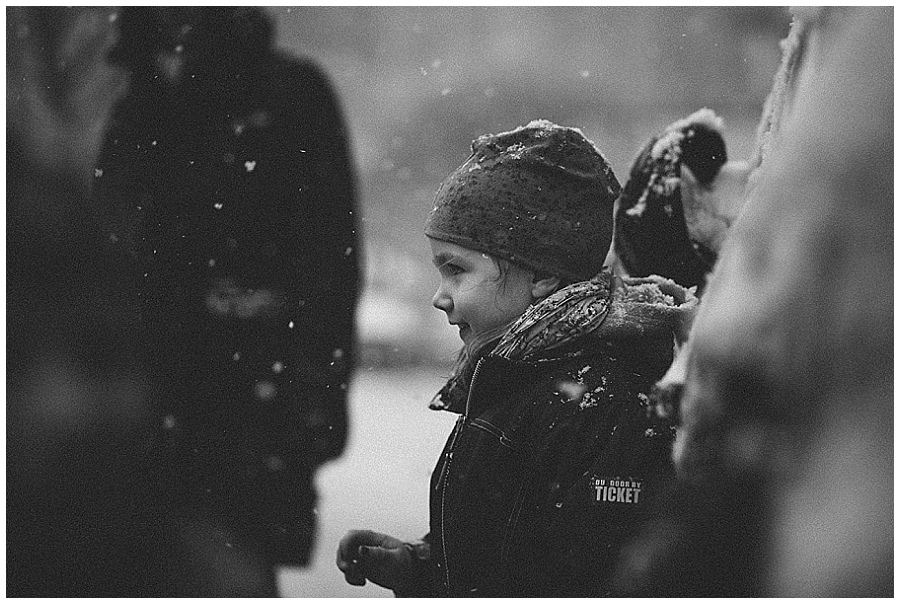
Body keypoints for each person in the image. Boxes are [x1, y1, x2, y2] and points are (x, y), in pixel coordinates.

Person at [336, 120, 696, 597]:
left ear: (542, 275)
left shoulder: (598, 404)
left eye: (456, 270)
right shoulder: (514, 377)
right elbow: (507, 550)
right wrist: (423, 565)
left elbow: (583, 579)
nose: (439, 297)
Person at [93, 8, 361, 596]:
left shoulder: (286, 96)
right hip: (144, 400)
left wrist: (312, 396)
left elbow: (330, 265)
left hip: (244, 400)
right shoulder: (128, 96)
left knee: (227, 567)